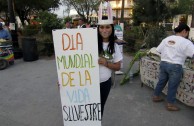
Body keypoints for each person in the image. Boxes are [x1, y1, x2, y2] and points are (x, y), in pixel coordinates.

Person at [152, 23, 194, 111]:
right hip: (175, 66)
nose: (187, 35)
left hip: (164, 63)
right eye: (187, 33)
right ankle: (170, 104)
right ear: (184, 31)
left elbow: (158, 50)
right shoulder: (186, 42)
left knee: (161, 81)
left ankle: (156, 96)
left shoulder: (167, 39)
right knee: (172, 85)